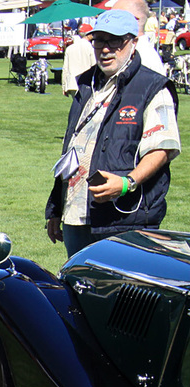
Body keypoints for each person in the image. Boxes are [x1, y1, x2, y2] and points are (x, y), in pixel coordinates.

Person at [46, 8, 179, 256]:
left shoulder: (152, 87)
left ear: (133, 42)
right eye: (99, 40)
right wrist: (56, 208)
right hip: (76, 216)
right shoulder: (86, 84)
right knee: (77, 288)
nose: (105, 49)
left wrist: (127, 184)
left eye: (115, 40)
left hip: (122, 218)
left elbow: (163, 148)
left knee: (119, 292)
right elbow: (72, 148)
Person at [106, 0, 165, 72]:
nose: (110, 22)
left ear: (134, 20)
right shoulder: (135, 52)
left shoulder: (141, 58)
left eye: (116, 17)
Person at [62, 23, 95, 96]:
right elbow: (94, 66)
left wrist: (64, 86)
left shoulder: (70, 48)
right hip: (86, 84)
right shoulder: (91, 48)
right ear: (89, 34)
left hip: (72, 84)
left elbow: (65, 69)